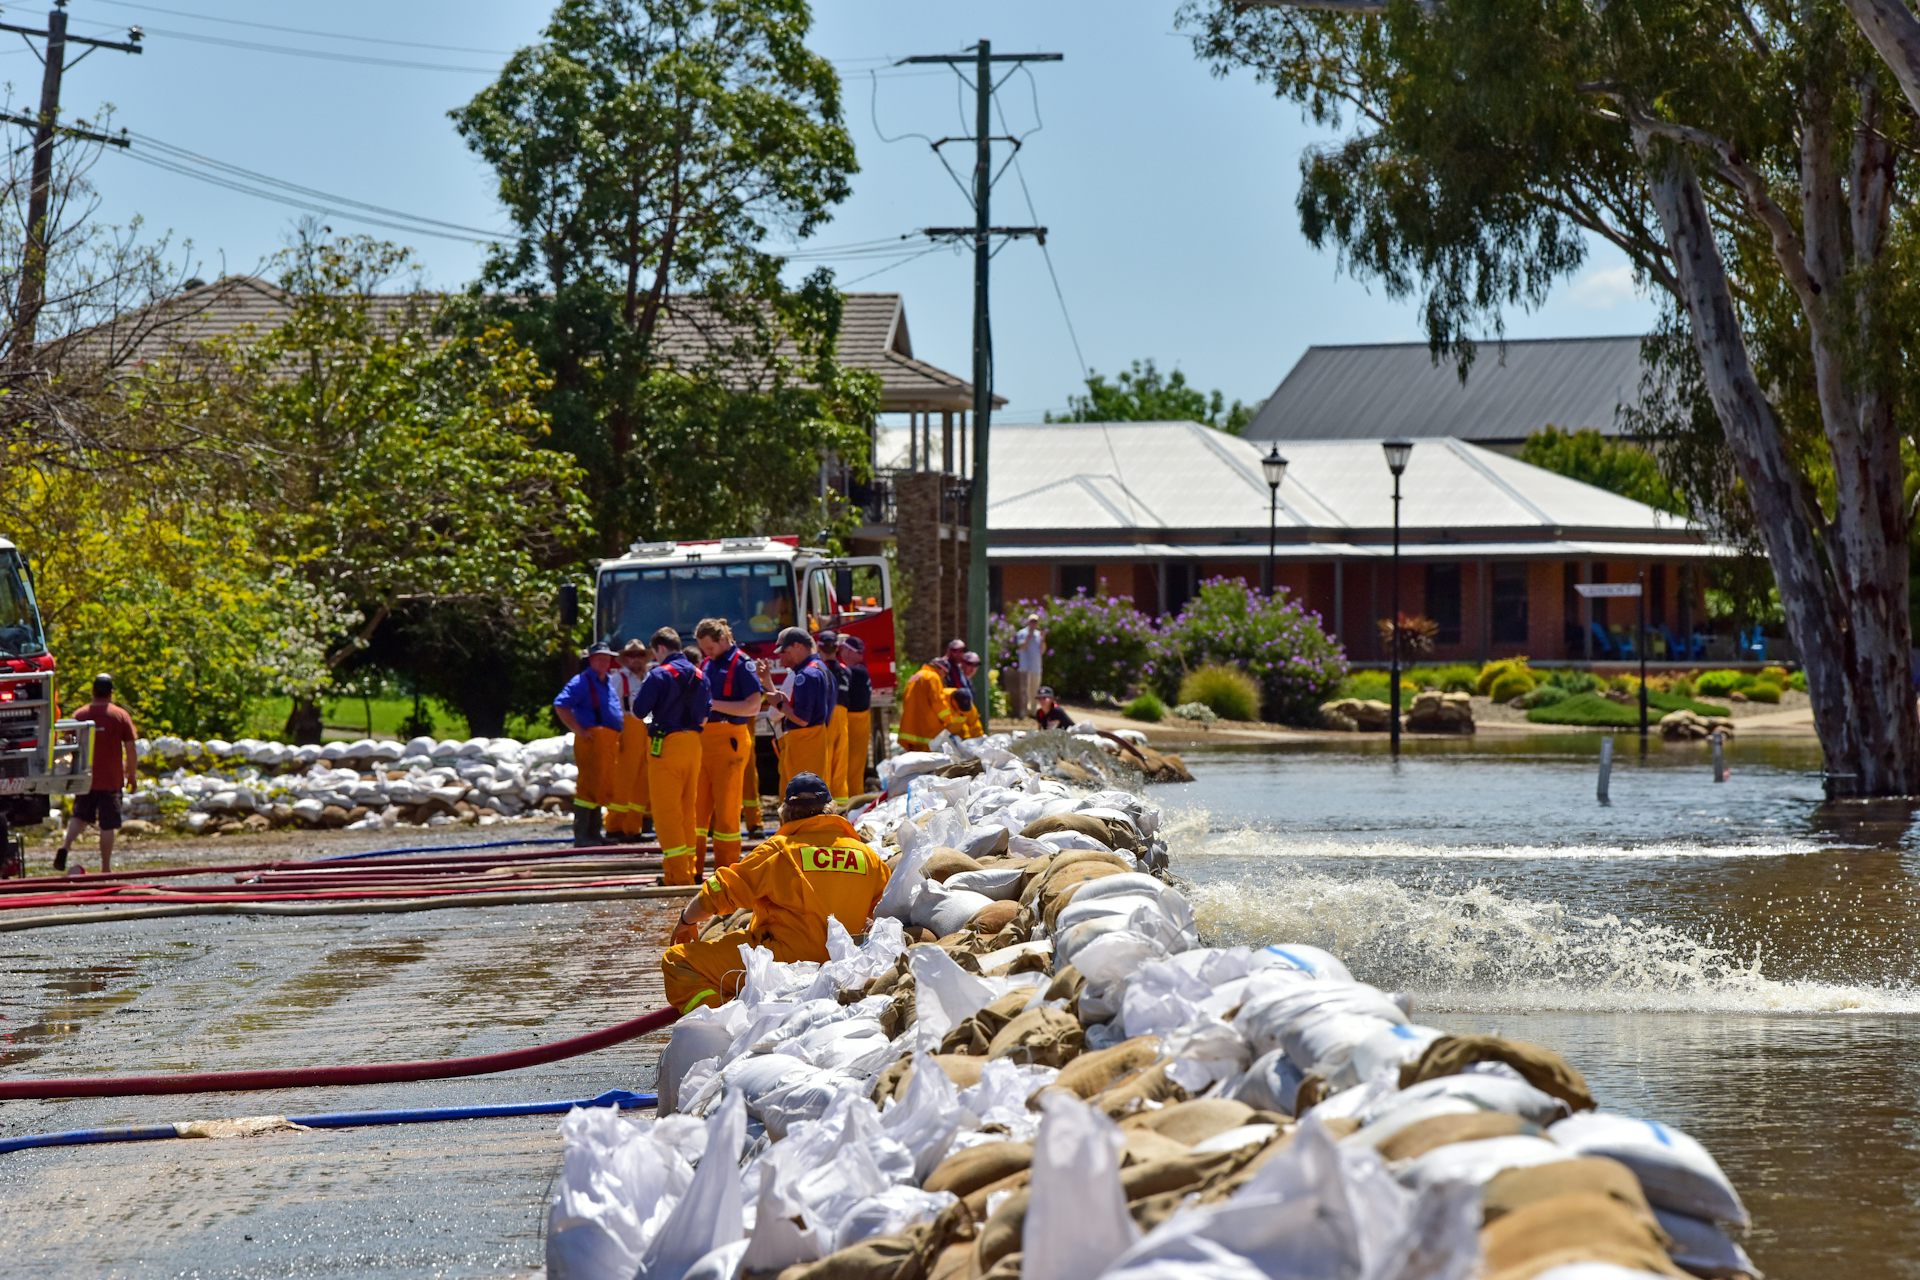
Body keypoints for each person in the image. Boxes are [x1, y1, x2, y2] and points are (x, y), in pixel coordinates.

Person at [660, 771, 890, 1012]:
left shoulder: (778, 851)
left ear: (785, 813)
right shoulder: (867, 856)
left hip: (782, 962)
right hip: (846, 963)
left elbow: (722, 889)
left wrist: (687, 920)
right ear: (831, 810)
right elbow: (885, 909)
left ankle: (724, 1017)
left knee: (678, 961)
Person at [630, 627, 712, 884]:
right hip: (693, 745)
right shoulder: (700, 675)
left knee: (667, 811)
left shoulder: (659, 675)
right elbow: (706, 713)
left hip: (666, 745)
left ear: (661, 648)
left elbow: (639, 710)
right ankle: (690, 867)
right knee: (688, 809)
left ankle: (677, 874)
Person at [693, 617, 762, 874]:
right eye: (703, 650)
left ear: (722, 639)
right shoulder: (708, 663)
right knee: (697, 809)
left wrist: (713, 705)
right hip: (705, 740)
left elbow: (753, 706)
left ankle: (726, 870)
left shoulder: (742, 664)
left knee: (727, 811)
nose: (707, 653)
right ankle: (693, 867)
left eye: (710, 648)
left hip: (729, 740)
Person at [55, 673, 138, 874]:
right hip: (111, 779)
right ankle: (106, 868)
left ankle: (65, 846)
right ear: (111, 692)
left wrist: (67, 773)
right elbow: (130, 748)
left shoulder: (80, 715)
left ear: (93, 691)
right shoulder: (120, 716)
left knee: (80, 816)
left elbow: (65, 745)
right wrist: (132, 775)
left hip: (86, 777)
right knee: (107, 825)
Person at [553, 643, 622, 846]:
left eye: (607, 659)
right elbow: (561, 705)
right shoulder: (581, 681)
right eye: (600, 658)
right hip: (591, 740)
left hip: (607, 741)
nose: (604, 662)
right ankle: (583, 835)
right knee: (587, 787)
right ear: (591, 660)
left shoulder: (607, 681)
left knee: (600, 785)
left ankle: (595, 834)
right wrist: (579, 730)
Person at [765, 626, 835, 795]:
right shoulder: (821, 668)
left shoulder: (806, 675)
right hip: (815, 740)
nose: (782, 658)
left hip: (804, 744)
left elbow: (802, 719)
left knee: (801, 796)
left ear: (798, 646)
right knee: (812, 794)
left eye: (785, 651)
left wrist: (779, 704)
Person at [605, 641, 652, 841]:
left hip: (647, 732)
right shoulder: (618, 679)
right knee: (623, 782)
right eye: (631, 655)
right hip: (627, 732)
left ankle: (633, 828)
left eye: (640, 655)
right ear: (625, 659)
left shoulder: (650, 678)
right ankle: (614, 826)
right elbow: (610, 707)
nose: (636, 659)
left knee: (642, 782)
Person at [898, 640, 963, 749]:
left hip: (909, 730)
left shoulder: (916, 676)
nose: (943, 677)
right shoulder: (933, 677)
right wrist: (948, 720)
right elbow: (937, 701)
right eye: (945, 674)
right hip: (925, 732)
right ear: (941, 670)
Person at [817, 631, 853, 805]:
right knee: (840, 766)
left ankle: (824, 806)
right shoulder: (846, 671)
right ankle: (842, 808)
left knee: (824, 763)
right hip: (843, 718)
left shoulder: (819, 670)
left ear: (819, 648)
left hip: (827, 716)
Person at [839, 634, 873, 801]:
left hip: (854, 723)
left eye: (844, 649)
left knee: (850, 766)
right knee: (855, 766)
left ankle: (853, 801)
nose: (841, 652)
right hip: (859, 722)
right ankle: (855, 799)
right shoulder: (861, 670)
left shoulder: (855, 672)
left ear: (852, 652)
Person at [1011, 613, 1046, 718]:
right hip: (1025, 667)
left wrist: (1043, 639)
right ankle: (1024, 712)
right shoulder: (1022, 633)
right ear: (1028, 622)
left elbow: (1042, 650)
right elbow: (1022, 647)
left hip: (1036, 667)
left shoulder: (1039, 635)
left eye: (1035, 622)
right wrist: (1028, 637)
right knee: (1024, 691)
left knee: (1035, 690)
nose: (1033, 623)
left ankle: (1033, 712)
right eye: (1032, 621)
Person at [951, 650, 986, 739]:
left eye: (976, 665)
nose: (973, 668)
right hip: (955, 728)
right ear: (962, 663)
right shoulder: (955, 679)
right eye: (969, 664)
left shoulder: (967, 681)